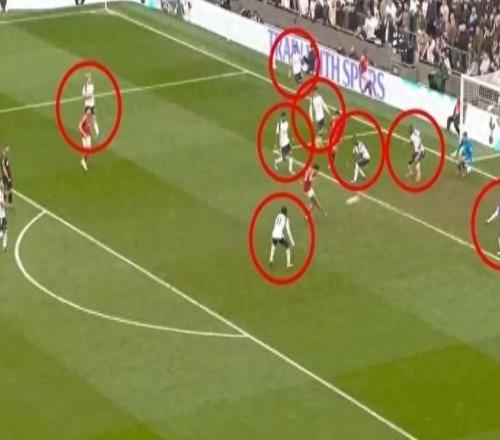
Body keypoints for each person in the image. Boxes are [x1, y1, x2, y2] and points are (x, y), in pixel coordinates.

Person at [82, 72, 99, 137]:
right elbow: (84, 97)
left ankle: (97, 132)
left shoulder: (91, 86)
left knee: (94, 118)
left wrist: (87, 96)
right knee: (87, 119)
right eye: (88, 80)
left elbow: (88, 96)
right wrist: (87, 96)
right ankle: (88, 131)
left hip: (92, 105)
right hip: (87, 105)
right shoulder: (84, 88)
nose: (89, 81)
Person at [0, 180, 8, 252]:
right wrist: (8, 206)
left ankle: (4, 246)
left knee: (5, 231)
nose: (2, 185)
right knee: (3, 231)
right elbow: (2, 205)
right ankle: (4, 246)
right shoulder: (0, 194)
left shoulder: (1, 193)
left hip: (2, 215)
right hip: (1, 216)